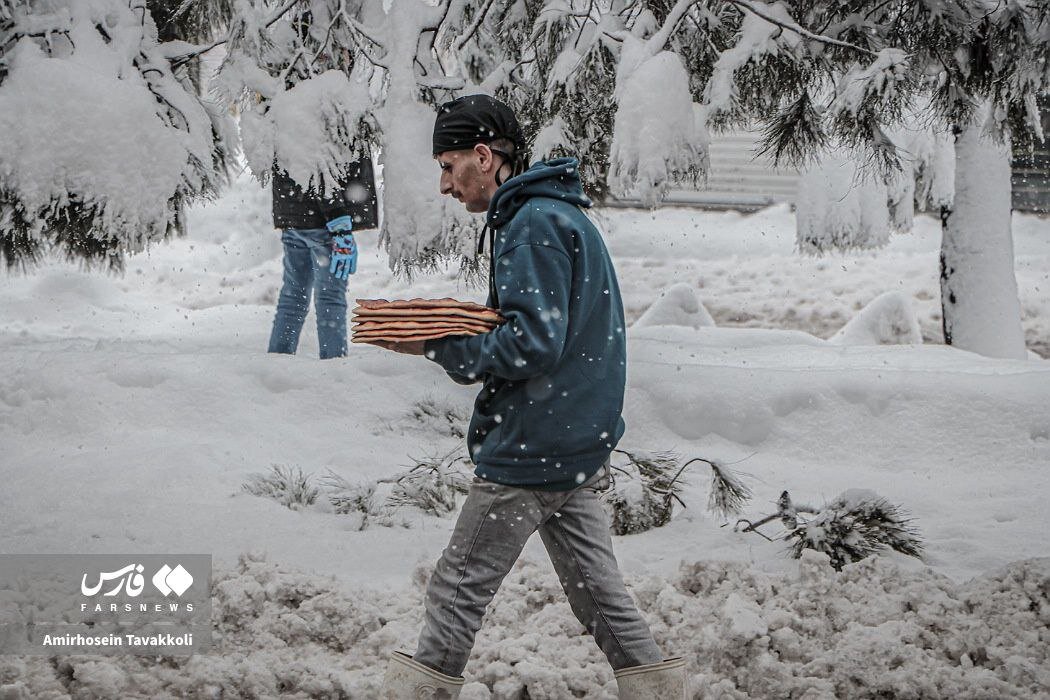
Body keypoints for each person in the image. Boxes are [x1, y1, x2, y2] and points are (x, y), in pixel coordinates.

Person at [365, 95, 686, 699]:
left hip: (532, 450)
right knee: (601, 599)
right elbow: (549, 330)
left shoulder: (530, 225)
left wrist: (438, 343)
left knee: (456, 591)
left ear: (483, 157)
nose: (443, 184)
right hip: (577, 445)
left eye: (448, 164)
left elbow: (531, 344)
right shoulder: (555, 215)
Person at [266, 158, 378, 359]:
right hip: (323, 220)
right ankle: (334, 367)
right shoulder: (320, 126)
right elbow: (319, 164)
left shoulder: (285, 126)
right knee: (330, 297)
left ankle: (277, 363)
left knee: (293, 295)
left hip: (293, 215)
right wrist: (337, 219)